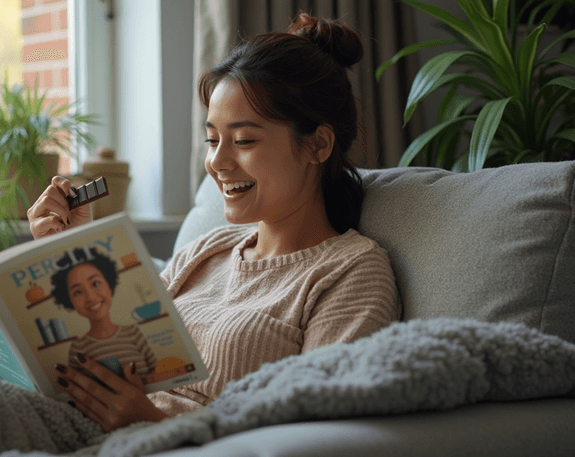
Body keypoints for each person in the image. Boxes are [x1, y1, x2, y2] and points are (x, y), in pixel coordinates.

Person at [27, 12, 400, 433]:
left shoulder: (351, 272)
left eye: (243, 141)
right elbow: (117, 340)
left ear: (317, 144)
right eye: (212, 139)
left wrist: (153, 422)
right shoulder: (208, 250)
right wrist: (70, 246)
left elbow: (318, 429)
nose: (217, 163)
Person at [47, 246, 158, 374]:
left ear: (109, 285)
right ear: (69, 301)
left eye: (95, 283)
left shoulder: (133, 333)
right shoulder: (78, 347)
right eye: (77, 292)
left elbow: (156, 371)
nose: (91, 297)